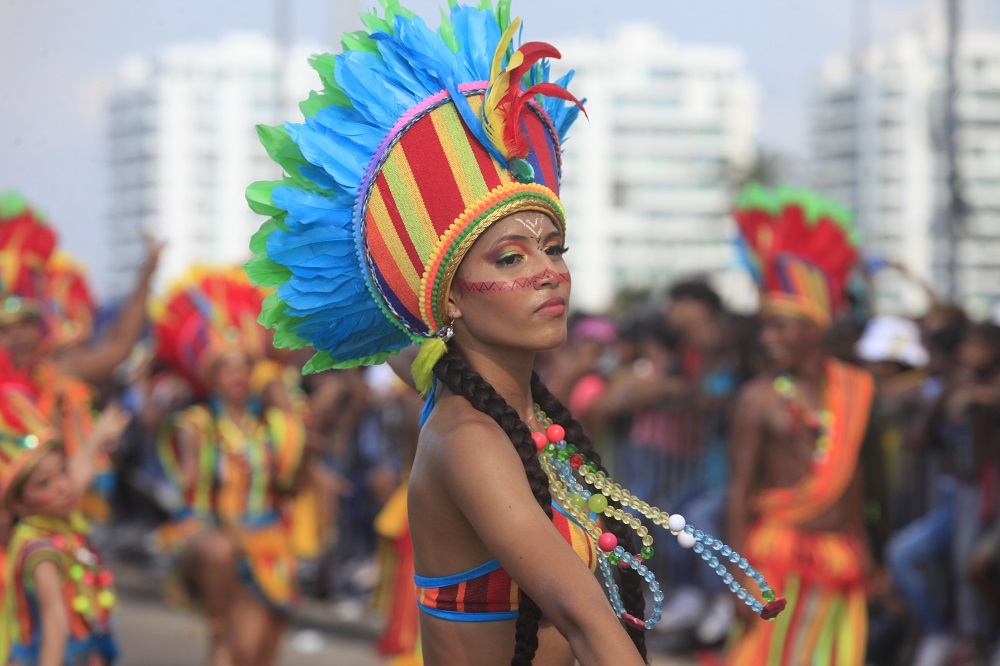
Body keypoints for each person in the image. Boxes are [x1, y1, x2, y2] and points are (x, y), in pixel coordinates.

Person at [245, 4, 782, 664]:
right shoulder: (471, 440)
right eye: (511, 258)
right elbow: (582, 618)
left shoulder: (523, 420)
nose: (549, 274)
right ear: (452, 299)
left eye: (553, 249)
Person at [726, 184, 874, 665]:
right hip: (776, 557)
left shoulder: (854, 389)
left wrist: (865, 549)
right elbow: (739, 492)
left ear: (814, 329)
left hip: (838, 560)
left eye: (780, 327)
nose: (768, 339)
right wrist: (739, 578)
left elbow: (851, 477)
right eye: (764, 326)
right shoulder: (757, 398)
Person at [152, 267, 309, 666]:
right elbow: (184, 487)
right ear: (210, 377)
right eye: (227, 367)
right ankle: (217, 632)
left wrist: (278, 389)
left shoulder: (270, 428)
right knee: (232, 650)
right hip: (213, 536)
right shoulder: (195, 426)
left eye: (244, 366)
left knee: (259, 653)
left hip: (268, 545)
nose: (238, 375)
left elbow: (293, 481)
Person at [0, 394, 130, 666]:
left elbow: (79, 473)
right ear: (20, 504)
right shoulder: (41, 550)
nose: (62, 486)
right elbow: (55, 622)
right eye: (44, 484)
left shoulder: (56, 522)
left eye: (62, 471)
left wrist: (98, 438)